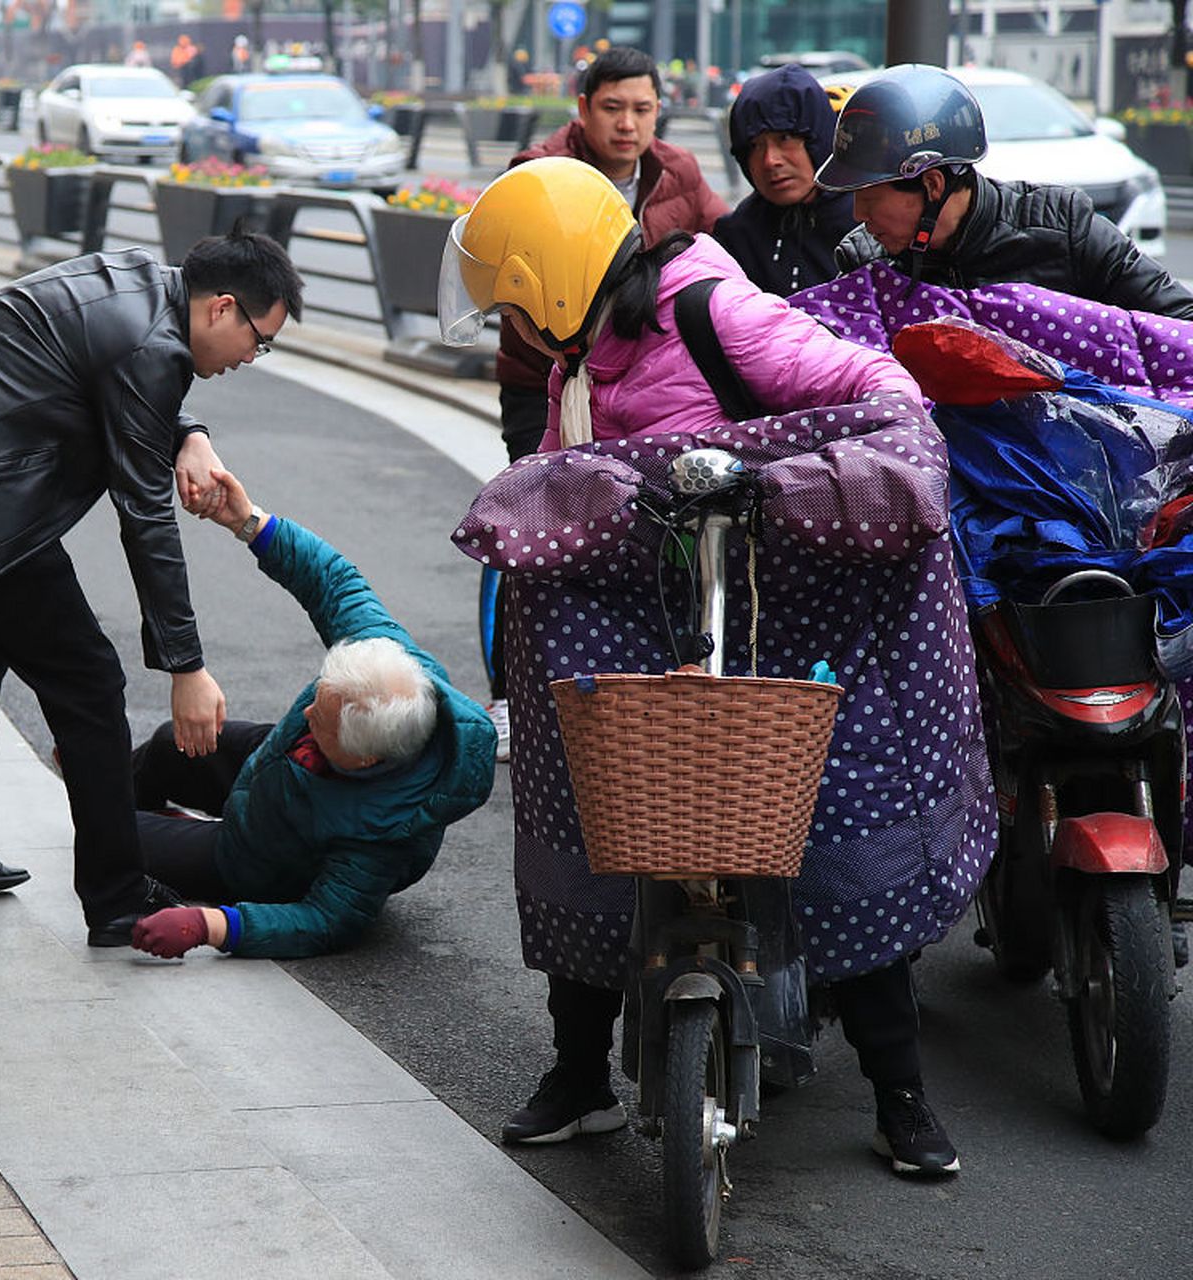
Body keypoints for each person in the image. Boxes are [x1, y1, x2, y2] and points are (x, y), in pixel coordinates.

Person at [442, 157, 989, 1178]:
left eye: (514, 302)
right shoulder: (578, 360)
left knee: (827, 823)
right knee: (602, 821)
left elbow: (884, 394)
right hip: (653, 621)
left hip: (779, 615)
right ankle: (578, 1077)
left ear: (554, 281)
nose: (510, 327)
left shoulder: (711, 308)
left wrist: (768, 480)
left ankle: (901, 1094)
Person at [0, 232, 304, 948]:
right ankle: (117, 901)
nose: (251, 357)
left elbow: (114, 377)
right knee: (87, 678)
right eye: (258, 340)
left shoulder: (141, 281)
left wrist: (191, 430)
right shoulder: (154, 347)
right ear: (221, 308)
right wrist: (186, 666)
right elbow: (146, 513)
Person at [127, 469, 498, 960]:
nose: (306, 710)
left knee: (115, 839)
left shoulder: (382, 834)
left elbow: (325, 922)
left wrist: (211, 925)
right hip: (277, 765)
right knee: (168, 743)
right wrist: (247, 521)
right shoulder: (390, 660)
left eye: (319, 718)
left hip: (256, 858)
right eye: (318, 696)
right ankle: (108, 779)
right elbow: (332, 580)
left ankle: (133, 815)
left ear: (362, 760)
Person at [481, 45, 729, 760]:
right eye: (613, 108)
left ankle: (626, 683)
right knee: (529, 521)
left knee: (643, 529)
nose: (628, 125)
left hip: (646, 386)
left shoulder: (676, 173)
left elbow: (713, 255)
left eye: (642, 110)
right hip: (546, 379)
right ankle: (509, 690)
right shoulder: (540, 172)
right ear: (582, 110)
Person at [823, 64, 1193, 318]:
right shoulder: (863, 261)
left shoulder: (1063, 227)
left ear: (932, 185)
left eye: (870, 198)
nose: (858, 216)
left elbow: (1179, 321)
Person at [712, 64, 858, 296]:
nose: (770, 160)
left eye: (785, 138)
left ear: (818, 139)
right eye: (754, 146)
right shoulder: (738, 234)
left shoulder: (870, 222)